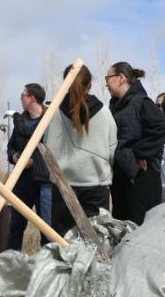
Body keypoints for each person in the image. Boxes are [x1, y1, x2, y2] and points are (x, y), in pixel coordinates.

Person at [43, 65, 118, 232]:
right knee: (98, 244)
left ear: (65, 83)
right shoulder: (104, 112)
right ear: (90, 83)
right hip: (96, 185)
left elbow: (47, 149)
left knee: (64, 245)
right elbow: (113, 148)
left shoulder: (54, 113)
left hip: (63, 187)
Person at [105, 62, 165, 224]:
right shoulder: (114, 105)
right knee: (122, 228)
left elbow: (162, 128)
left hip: (142, 176)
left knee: (140, 227)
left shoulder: (142, 102)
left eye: (108, 78)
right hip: (120, 176)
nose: (106, 83)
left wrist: (139, 153)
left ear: (121, 78)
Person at [6, 83, 48, 250]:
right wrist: (13, 155)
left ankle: (47, 262)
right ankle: (10, 260)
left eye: (23, 95)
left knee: (45, 226)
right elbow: (10, 146)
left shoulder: (49, 120)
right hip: (22, 182)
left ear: (32, 98)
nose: (21, 99)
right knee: (15, 226)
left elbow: (52, 148)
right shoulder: (20, 123)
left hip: (42, 181)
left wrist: (34, 161)